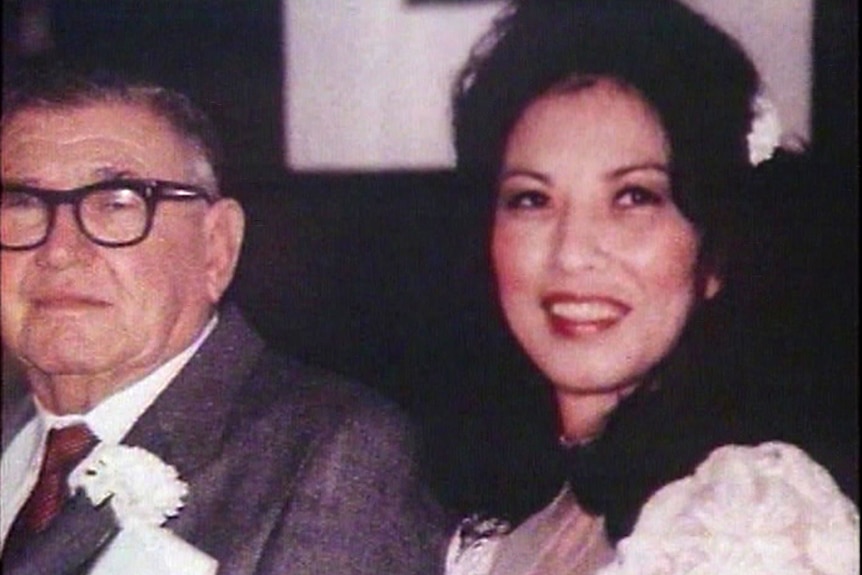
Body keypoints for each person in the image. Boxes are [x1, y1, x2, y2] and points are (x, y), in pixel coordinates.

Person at [433, 1, 859, 574]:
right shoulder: (504, 534)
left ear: (715, 253)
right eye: (532, 199)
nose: (572, 252)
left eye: (634, 197)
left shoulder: (748, 518)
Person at [0, 67, 450, 575]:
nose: (58, 250)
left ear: (216, 248)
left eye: (116, 204)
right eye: (21, 203)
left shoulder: (328, 453)